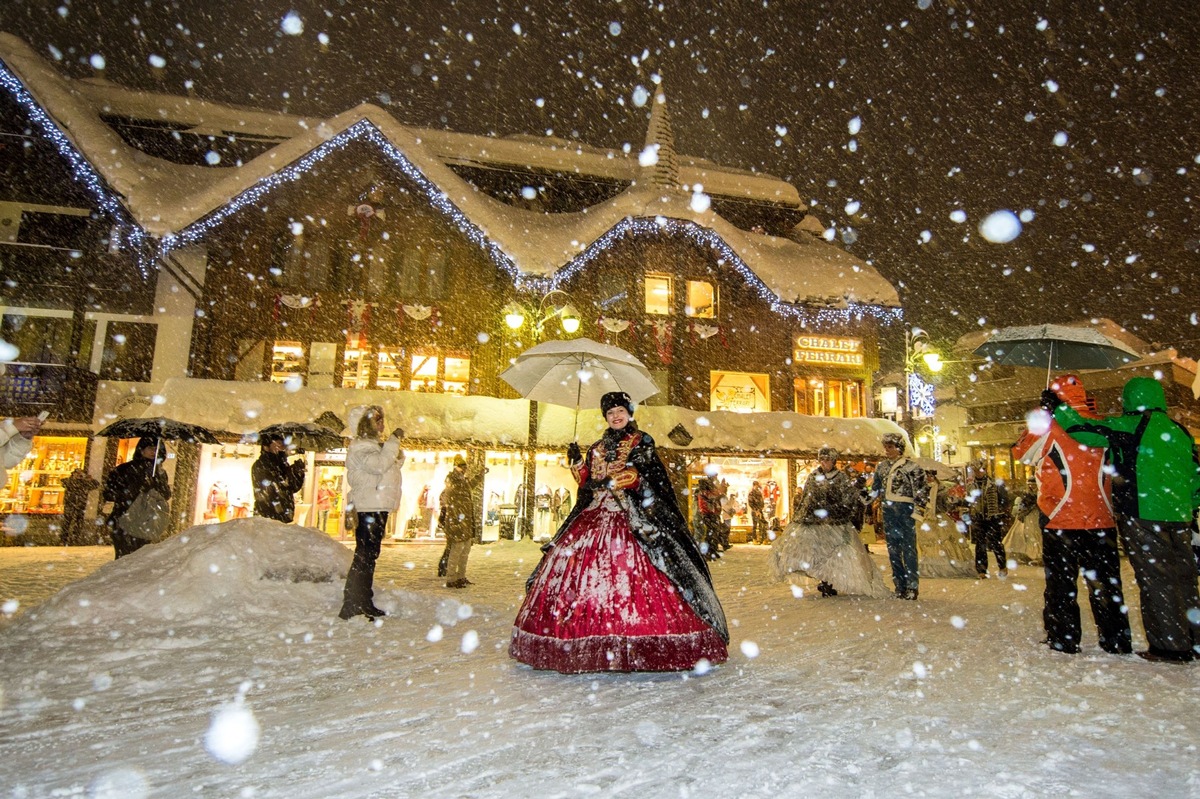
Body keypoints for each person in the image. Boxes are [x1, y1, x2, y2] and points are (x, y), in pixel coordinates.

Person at [510, 391, 728, 673]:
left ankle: (644, 640)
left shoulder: (641, 441)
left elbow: (646, 476)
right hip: (595, 516)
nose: (616, 416)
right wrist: (577, 463)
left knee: (642, 571)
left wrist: (623, 478)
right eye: (610, 412)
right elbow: (587, 482)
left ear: (629, 413)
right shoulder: (597, 446)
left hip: (632, 516)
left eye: (620, 411)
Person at [1051, 376, 1200, 662]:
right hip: (1179, 515)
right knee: (1185, 579)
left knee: (1157, 580)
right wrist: (1190, 506)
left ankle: (1171, 646)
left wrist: (1059, 407)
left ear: (1130, 399)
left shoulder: (1131, 426)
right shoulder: (1178, 431)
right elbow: (1195, 473)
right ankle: (1194, 639)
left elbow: (1084, 431)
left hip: (1143, 513)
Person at [1013, 374, 1130, 656]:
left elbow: (1021, 453)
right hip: (1101, 519)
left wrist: (1043, 415)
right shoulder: (1102, 425)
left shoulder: (1049, 428)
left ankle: (1063, 637)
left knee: (1061, 585)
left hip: (1060, 518)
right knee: (1105, 585)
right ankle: (1115, 639)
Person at [770, 447, 889, 597]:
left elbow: (848, 500)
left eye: (827, 460)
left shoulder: (841, 478)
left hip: (835, 523)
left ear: (833, 461)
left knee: (833, 553)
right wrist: (805, 515)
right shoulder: (813, 476)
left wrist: (838, 509)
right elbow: (807, 499)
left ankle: (829, 582)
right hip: (816, 523)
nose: (825, 463)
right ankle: (824, 581)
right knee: (818, 553)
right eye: (822, 460)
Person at [338, 405, 405, 621]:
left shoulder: (372, 446)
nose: (382, 425)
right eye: (377, 421)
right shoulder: (361, 447)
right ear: (366, 424)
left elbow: (385, 469)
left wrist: (396, 456)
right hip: (369, 507)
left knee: (368, 556)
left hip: (375, 505)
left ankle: (362, 600)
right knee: (365, 556)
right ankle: (353, 602)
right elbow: (378, 466)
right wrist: (393, 443)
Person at [869, 432, 928, 599]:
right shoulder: (881, 467)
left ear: (899, 448)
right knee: (893, 550)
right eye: (886, 447)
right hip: (888, 511)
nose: (887, 450)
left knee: (909, 549)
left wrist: (918, 511)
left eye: (890, 447)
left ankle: (912, 586)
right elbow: (875, 489)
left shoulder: (912, 467)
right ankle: (900, 585)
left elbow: (922, 491)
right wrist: (865, 495)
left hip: (905, 510)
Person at [102, 437, 171, 558]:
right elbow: (109, 493)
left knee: (139, 561)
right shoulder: (125, 469)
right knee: (124, 557)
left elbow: (165, 495)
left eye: (157, 449)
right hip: (124, 519)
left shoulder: (159, 472)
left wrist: (155, 486)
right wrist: (133, 490)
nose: (153, 452)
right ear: (141, 450)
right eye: (150, 448)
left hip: (147, 522)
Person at [914, 469, 975, 578]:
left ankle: (945, 566)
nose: (929, 478)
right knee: (927, 542)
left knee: (944, 541)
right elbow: (918, 505)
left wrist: (951, 502)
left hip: (939, 518)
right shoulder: (921, 490)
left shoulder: (941, 489)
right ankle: (928, 566)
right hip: (925, 519)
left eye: (930, 476)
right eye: (926, 476)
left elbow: (945, 506)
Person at [439, 454, 487, 588]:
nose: (464, 469)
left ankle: (460, 576)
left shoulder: (461, 481)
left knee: (465, 550)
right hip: (458, 521)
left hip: (465, 520)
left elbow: (469, 485)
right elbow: (458, 492)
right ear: (456, 467)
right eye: (461, 467)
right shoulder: (453, 480)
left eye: (464, 467)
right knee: (456, 550)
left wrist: (480, 475)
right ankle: (451, 578)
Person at [964, 460, 1008, 578]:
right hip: (978, 517)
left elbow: (1004, 499)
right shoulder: (971, 485)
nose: (979, 473)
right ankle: (981, 569)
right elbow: (968, 501)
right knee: (980, 544)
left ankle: (1002, 565)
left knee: (996, 543)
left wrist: (998, 510)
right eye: (976, 471)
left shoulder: (994, 483)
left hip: (993, 517)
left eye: (981, 470)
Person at [251, 434, 307, 523]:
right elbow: (276, 486)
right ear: (266, 447)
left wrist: (298, 472)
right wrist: (291, 471)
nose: (282, 447)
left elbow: (293, 487)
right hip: (268, 515)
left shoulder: (282, 464)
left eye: (282, 444)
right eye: (278, 444)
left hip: (284, 515)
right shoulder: (261, 465)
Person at [61, 468, 100, 545]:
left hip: (80, 504)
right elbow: (63, 482)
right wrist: (74, 479)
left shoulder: (84, 483)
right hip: (70, 503)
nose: (79, 476)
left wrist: (90, 479)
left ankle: (75, 538)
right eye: (77, 474)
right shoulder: (70, 482)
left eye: (80, 474)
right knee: (67, 522)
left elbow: (96, 484)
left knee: (78, 522)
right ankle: (64, 539)